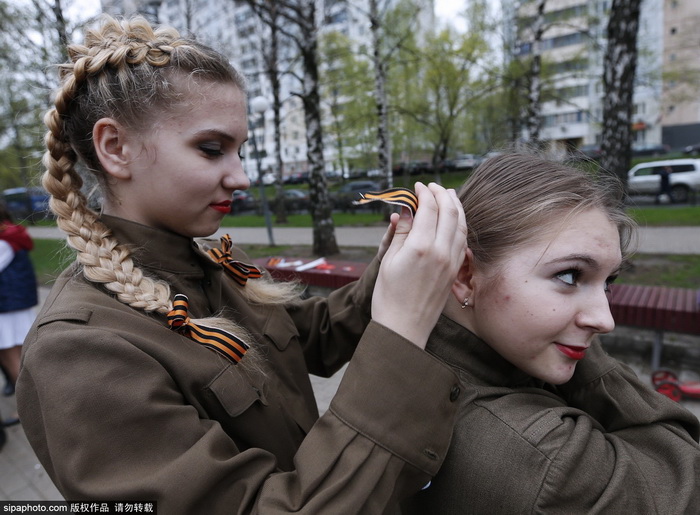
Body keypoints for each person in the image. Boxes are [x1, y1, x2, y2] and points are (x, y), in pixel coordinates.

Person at [17, 15, 468, 512]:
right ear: (116, 148)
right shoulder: (79, 354)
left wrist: (398, 263)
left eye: (240, 150)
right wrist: (402, 335)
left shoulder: (217, 262)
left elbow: (311, 338)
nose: (243, 177)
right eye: (212, 149)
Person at [403, 151, 700, 514]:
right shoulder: (546, 458)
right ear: (465, 275)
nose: (605, 321)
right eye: (570, 275)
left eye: (608, 282)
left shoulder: (407, 358)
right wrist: (594, 367)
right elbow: (686, 477)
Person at [0, 201, 38, 396]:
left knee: (13, 358)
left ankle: (30, 404)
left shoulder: (3, 241)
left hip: (7, 307)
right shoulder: (10, 235)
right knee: (20, 356)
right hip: (13, 304)